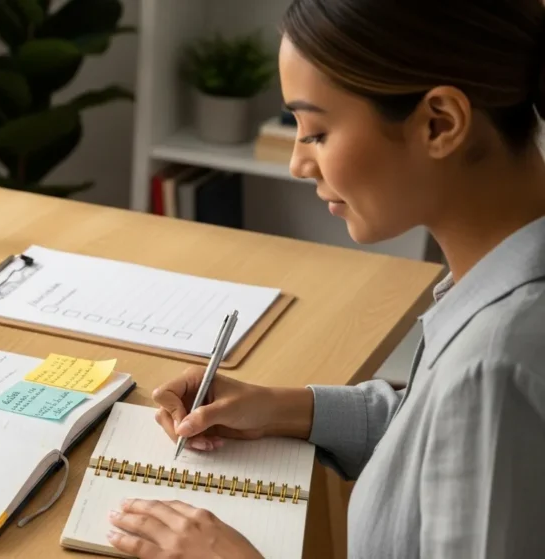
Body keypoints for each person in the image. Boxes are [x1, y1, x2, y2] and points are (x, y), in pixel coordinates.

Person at [106, 0, 545, 557]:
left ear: (440, 124)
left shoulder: (496, 365)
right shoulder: (499, 280)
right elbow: (434, 436)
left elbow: (472, 410)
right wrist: (284, 408)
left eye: (314, 131)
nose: (298, 163)